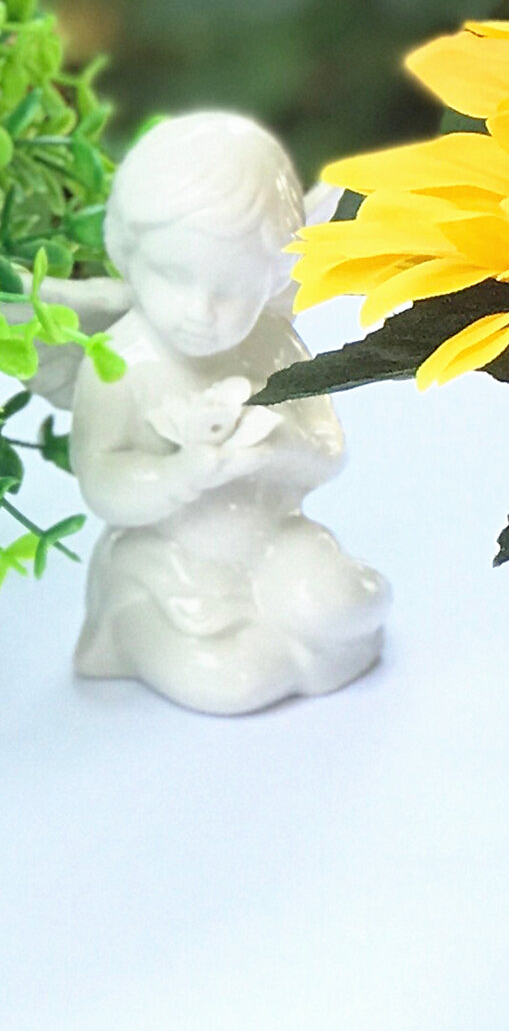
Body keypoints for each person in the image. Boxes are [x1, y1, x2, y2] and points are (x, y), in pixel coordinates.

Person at [71, 112, 389, 714]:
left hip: (273, 541)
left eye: (232, 287)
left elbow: (328, 452)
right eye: (172, 276)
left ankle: (305, 639)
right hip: (167, 570)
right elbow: (103, 483)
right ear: (126, 254)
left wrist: (277, 448)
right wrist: (177, 476)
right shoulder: (120, 360)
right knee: (234, 682)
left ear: (272, 277)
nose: (200, 310)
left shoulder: (271, 344)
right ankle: (254, 651)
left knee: (350, 603)